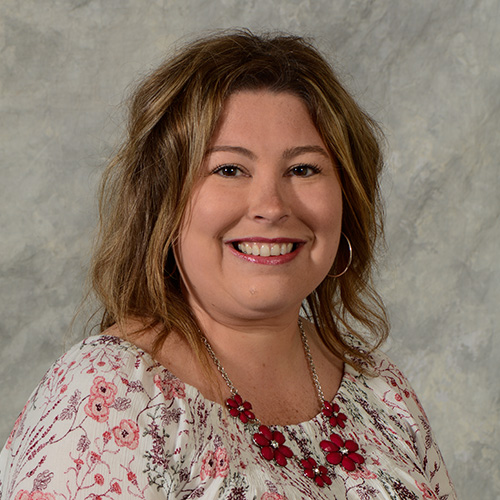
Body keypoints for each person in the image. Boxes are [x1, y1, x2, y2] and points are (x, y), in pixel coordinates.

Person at [0, 30, 457, 499]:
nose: (271, 206)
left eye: (303, 169)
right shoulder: (112, 394)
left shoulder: (383, 394)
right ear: (164, 202)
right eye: (228, 169)